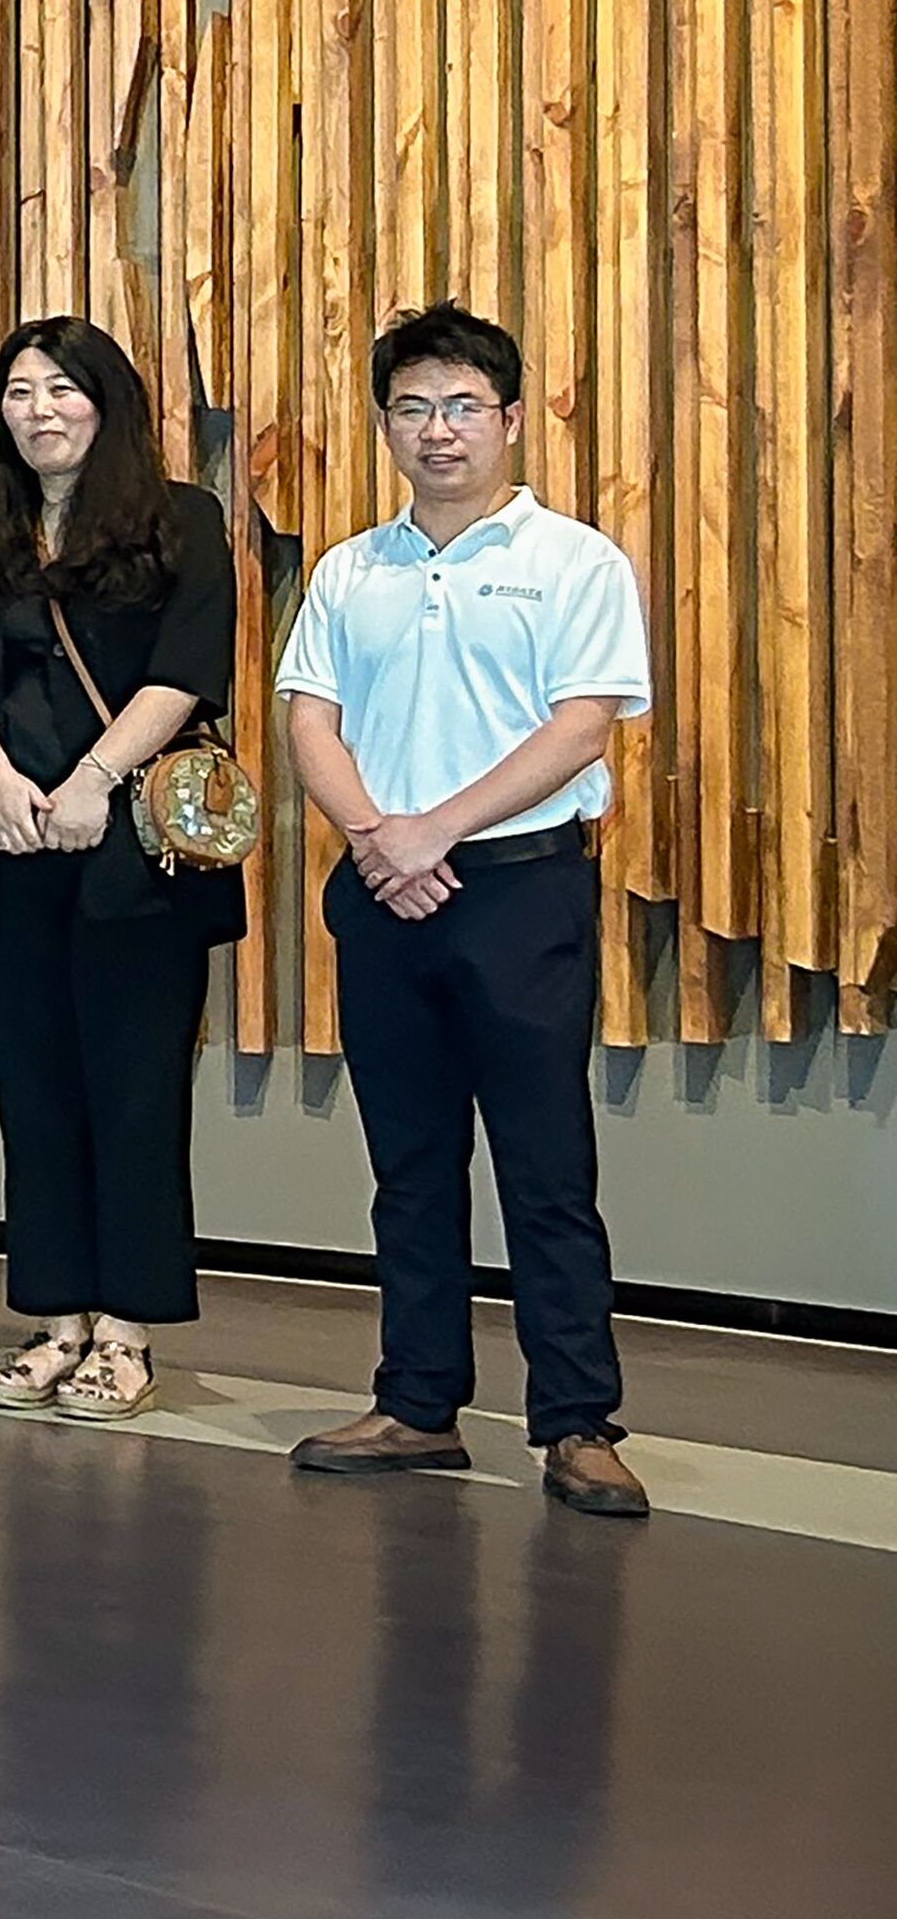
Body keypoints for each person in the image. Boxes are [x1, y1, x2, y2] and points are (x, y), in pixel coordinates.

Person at [274, 302, 654, 1520]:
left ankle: (576, 1420)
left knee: (545, 1165)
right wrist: (375, 837)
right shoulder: (349, 569)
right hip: (382, 889)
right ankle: (415, 1400)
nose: (436, 429)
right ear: (384, 423)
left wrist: (431, 828)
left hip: (518, 889)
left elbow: (580, 725)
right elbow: (306, 716)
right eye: (411, 408)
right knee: (407, 1164)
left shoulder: (574, 560)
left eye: (460, 406)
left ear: (508, 417)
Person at [0, 313, 244, 1424]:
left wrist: (96, 778)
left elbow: (187, 667)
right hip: (9, 841)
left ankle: (128, 1329)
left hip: (133, 851)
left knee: (135, 1090)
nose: (38, 409)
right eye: (18, 390)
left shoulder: (179, 519)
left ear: (107, 403)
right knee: (33, 1086)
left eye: (61, 388)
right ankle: (56, 1316)